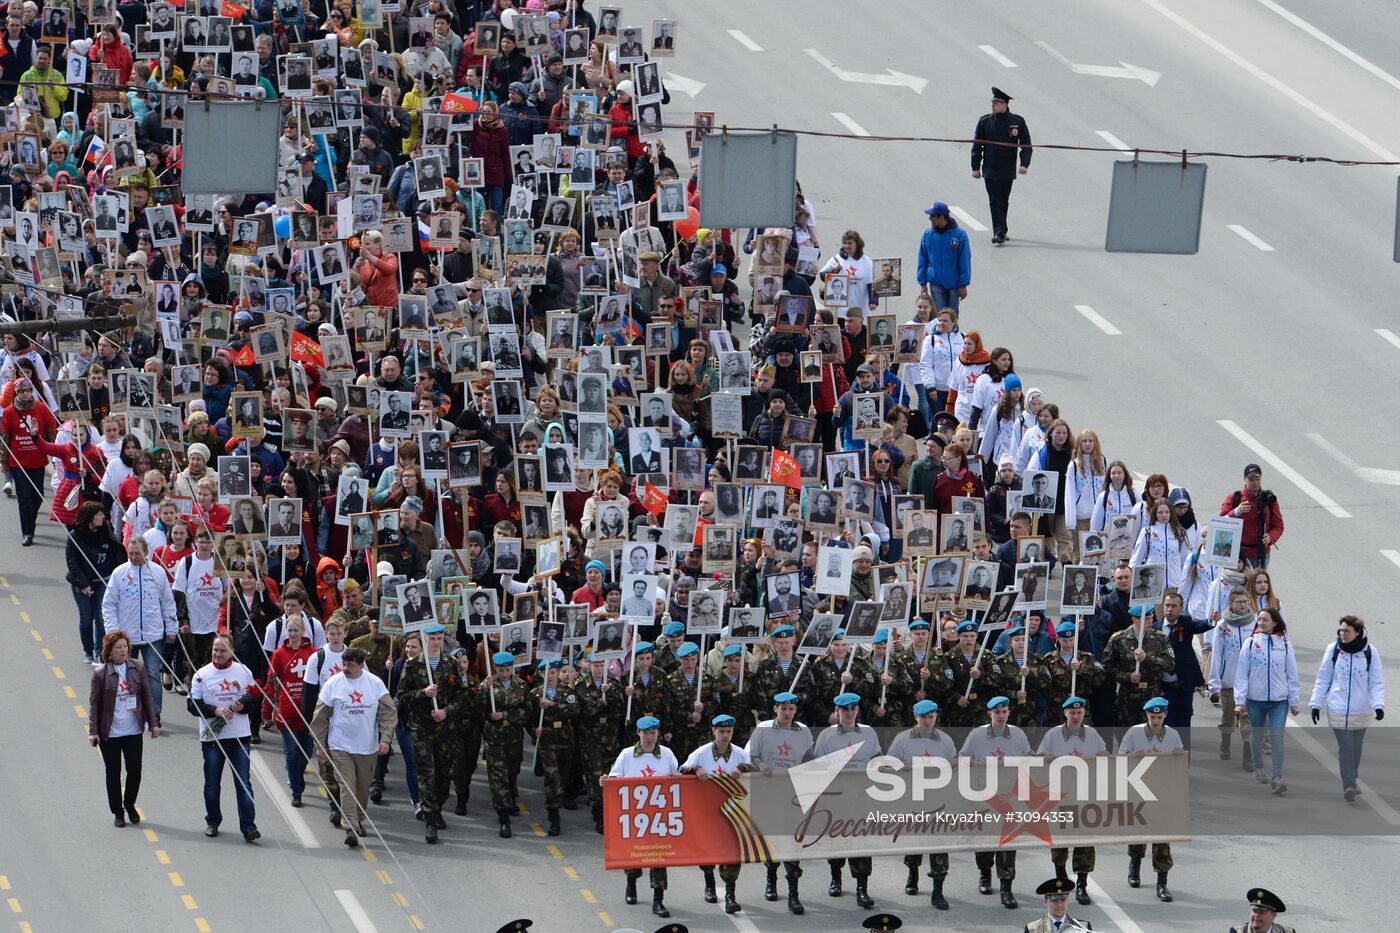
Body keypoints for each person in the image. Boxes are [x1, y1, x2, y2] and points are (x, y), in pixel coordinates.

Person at [310, 646, 396, 848]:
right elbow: (320, 718)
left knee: (362, 788)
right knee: (347, 785)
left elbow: (388, 713)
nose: (346, 668)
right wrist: (320, 745)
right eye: (344, 664)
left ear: (361, 665)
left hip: (367, 747)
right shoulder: (333, 684)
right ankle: (350, 826)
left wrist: (385, 739)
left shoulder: (375, 684)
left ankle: (357, 818)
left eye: (351, 665)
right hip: (340, 746)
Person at [188, 634, 261, 842]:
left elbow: (254, 702)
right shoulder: (201, 675)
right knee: (212, 784)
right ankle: (212, 820)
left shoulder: (243, 671)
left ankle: (248, 827)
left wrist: (243, 706)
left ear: (231, 652)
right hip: (213, 739)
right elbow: (192, 705)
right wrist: (215, 711)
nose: (218, 654)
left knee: (243, 783)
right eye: (215, 650)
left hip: (239, 737)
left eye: (222, 650)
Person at [961, 695, 1032, 908]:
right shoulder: (977, 735)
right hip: (984, 796)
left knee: (1008, 842)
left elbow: (1028, 757)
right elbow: (963, 758)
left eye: (1004, 711)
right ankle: (984, 873)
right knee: (985, 841)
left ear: (1009, 712)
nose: (1001, 715)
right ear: (989, 713)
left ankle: (1006, 887)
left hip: (1009, 796)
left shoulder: (1018, 734)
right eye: (997, 712)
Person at [888, 699, 958, 908]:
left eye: (931, 716)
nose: (927, 721)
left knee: (939, 846)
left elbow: (954, 762)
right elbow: (889, 763)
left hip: (939, 800)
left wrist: (949, 764)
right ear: (915, 718)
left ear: (936, 716)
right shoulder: (903, 739)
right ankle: (913, 873)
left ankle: (938, 891)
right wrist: (903, 767)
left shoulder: (944, 739)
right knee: (915, 844)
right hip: (913, 798)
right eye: (923, 717)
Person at [1037, 697, 1107, 904]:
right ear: (1065, 714)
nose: (1076, 716)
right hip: (1060, 795)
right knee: (1060, 842)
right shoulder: (1053, 735)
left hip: (1085, 795)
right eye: (1071, 713)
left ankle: (1082, 886)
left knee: (1084, 842)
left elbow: (1103, 754)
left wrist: (1105, 756)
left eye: (1079, 712)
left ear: (1084, 713)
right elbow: (1039, 758)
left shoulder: (1092, 735)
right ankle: (1061, 879)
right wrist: (1046, 759)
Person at [1309, 614, 1385, 802]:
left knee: (1357, 747)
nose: (1342, 634)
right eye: (1340, 630)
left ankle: (1352, 778)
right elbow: (1323, 678)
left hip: (1362, 710)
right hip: (1337, 708)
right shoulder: (1333, 649)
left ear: (1358, 632)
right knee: (1346, 747)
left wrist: (1378, 705)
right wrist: (1315, 704)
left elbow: (1376, 682)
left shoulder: (1370, 652)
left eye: (1347, 631)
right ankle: (1349, 785)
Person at [88, 630, 160, 827]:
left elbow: (147, 697)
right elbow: (94, 703)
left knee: (135, 770)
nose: (122, 650)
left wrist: (153, 724)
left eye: (125, 647)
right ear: (109, 651)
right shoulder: (101, 673)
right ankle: (117, 812)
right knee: (113, 772)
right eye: (118, 647)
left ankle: (129, 803)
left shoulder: (138, 667)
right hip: (109, 732)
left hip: (133, 730)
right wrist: (93, 731)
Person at [102, 537, 178, 722]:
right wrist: (113, 633)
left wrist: (171, 629)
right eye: (131, 553)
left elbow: (168, 603)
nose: (134, 557)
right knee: (127, 677)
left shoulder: (158, 572)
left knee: (152, 675)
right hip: (126, 638)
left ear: (147, 553)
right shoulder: (119, 573)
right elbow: (109, 604)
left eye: (137, 553)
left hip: (153, 635)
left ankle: (154, 715)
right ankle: (130, 713)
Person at [1117, 697, 1183, 901]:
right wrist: (1131, 756)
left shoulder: (1172, 734)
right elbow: (1118, 757)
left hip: (1162, 792)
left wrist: (1179, 756)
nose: (1156, 721)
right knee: (1138, 835)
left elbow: (1179, 762)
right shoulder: (1134, 732)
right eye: (1152, 717)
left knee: (1162, 840)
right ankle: (1134, 866)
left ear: (1165, 715)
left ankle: (1162, 883)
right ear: (1147, 715)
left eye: (1159, 717)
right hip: (1138, 790)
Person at [1233, 608, 1299, 795]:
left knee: (1277, 738)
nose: (1261, 623)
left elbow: (1292, 674)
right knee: (1257, 737)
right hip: (1255, 700)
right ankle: (1258, 768)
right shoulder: (1251, 643)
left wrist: (1293, 702)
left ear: (1275, 622)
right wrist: (1240, 700)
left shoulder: (1285, 644)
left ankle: (1277, 778)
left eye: (1265, 620)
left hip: (1279, 701)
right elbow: (1242, 674)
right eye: (1259, 620)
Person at [971, 87, 1032, 244]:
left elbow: (1026, 145)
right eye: (992, 102)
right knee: (994, 199)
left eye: (996, 102)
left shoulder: (1017, 122)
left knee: (1004, 199)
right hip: (990, 169)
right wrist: (975, 167)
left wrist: (1024, 164)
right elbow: (977, 146)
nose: (992, 105)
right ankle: (998, 231)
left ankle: (1002, 230)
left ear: (1004, 104)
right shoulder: (985, 122)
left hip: (1007, 169)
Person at [1219, 463, 1284, 569]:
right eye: (1251, 479)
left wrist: (1270, 537)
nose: (1255, 483)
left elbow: (1278, 525)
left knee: (1258, 584)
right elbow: (1220, 522)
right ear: (1245, 479)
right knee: (1240, 584)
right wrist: (1236, 512)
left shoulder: (1269, 499)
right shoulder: (1234, 498)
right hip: (1239, 553)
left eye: (1257, 479)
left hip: (1262, 554)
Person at [916, 202, 971, 313]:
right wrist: (922, 283)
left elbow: (965, 260)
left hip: (954, 284)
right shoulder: (928, 234)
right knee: (940, 315)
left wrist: (963, 284)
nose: (930, 218)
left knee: (952, 315)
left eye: (933, 216)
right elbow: (923, 258)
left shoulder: (959, 235)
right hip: (936, 282)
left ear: (942, 217)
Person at [1022, 877, 1093, 933]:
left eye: (1063, 900)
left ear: (1068, 900)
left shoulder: (1083, 928)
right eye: (1054, 900)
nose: (1059, 905)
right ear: (1046, 901)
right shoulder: (1032, 930)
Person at [1229, 888, 1295, 933]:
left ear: (1274, 915)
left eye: (1262, 912)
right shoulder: (1237, 931)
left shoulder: (1287, 932)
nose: (1256, 915)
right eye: (1254, 910)